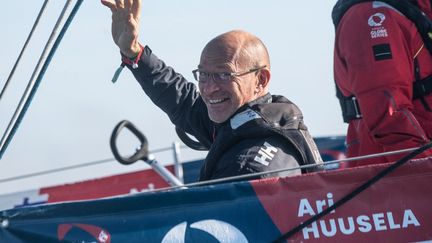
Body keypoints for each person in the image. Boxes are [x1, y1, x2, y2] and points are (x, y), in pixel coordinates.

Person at [102, 0, 323, 181]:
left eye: (224, 75)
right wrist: (133, 53)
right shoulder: (249, 120)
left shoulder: (248, 170)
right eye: (203, 74)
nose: (209, 88)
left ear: (261, 79)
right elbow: (183, 101)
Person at [332, 0, 432, 167]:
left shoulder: (416, 12)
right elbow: (387, 115)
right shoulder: (372, 15)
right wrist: (423, 170)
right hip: (396, 176)